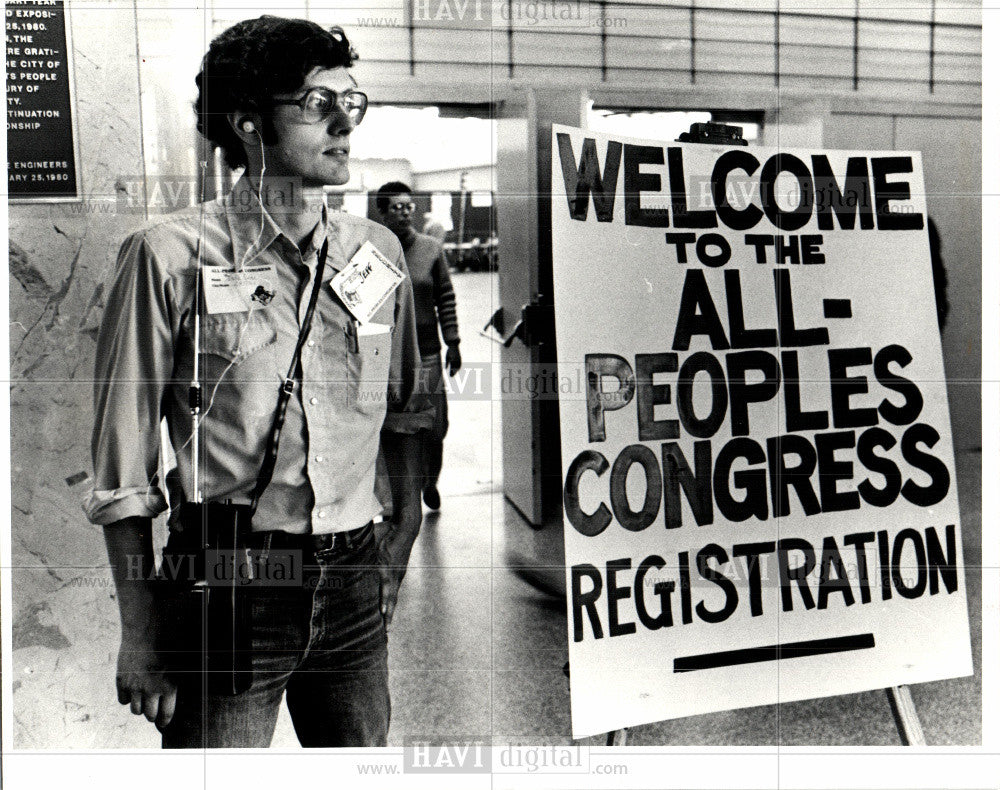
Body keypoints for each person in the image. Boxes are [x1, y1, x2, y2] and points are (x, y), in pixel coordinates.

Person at [84, 16, 431, 748]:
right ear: (248, 123)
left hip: (353, 576)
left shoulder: (378, 252)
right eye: (315, 104)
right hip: (227, 571)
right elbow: (123, 465)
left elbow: (407, 407)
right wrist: (141, 631)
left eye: (352, 101)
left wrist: (398, 539)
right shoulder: (167, 256)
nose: (344, 122)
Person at [376, 181, 461, 510]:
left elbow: (446, 297)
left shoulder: (430, 248)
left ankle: (431, 480)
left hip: (427, 351)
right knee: (394, 424)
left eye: (408, 206)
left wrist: (452, 341)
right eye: (396, 207)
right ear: (382, 212)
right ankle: (400, 493)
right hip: (388, 355)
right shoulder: (374, 251)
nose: (404, 213)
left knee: (435, 424)